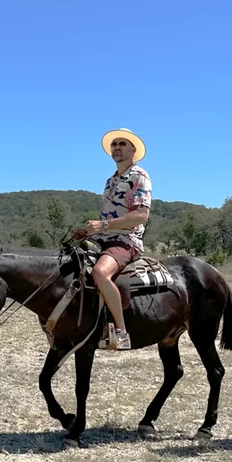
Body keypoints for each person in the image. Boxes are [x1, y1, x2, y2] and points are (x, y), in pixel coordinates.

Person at [72, 128, 152, 350]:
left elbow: (141, 215)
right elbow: (107, 217)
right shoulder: (110, 181)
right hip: (104, 238)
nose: (117, 147)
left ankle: (121, 332)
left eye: (122, 144)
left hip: (127, 241)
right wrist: (88, 231)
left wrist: (105, 225)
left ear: (132, 149)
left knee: (99, 272)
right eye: (114, 144)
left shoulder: (139, 177)